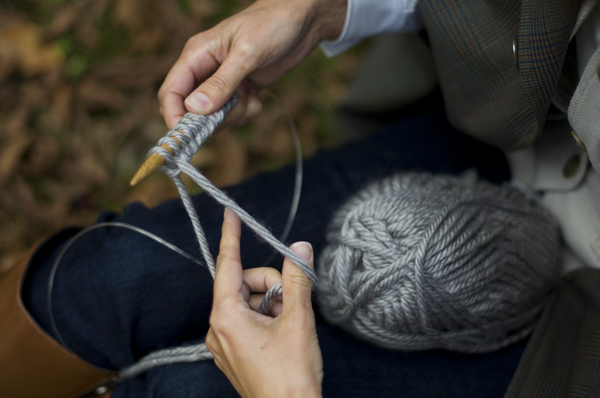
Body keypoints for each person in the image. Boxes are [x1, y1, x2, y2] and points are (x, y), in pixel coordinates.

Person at [2, 0, 599, 397]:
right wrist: (325, 8)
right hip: (514, 145)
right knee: (109, 274)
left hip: (582, 343)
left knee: (197, 392)